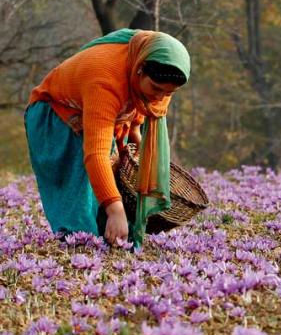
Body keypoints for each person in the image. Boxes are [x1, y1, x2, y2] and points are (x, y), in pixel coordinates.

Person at [25, 28, 191, 246]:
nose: (160, 97)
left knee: (116, 175)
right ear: (139, 69)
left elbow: (141, 115)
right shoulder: (104, 79)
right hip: (57, 112)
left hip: (106, 114)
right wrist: (115, 209)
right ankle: (79, 241)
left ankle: (115, 233)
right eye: (156, 88)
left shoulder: (156, 75)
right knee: (81, 204)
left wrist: (138, 154)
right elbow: (97, 154)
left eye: (169, 93)